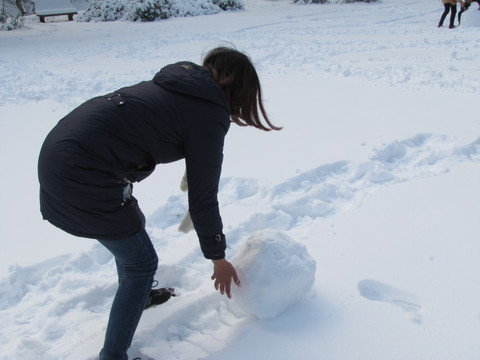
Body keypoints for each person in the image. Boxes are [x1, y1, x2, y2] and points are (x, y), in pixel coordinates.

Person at [37, 46, 281, 360]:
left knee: (130, 234)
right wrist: (218, 257)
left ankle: (137, 295)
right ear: (234, 82)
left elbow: (162, 124)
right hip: (83, 174)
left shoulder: (178, 84)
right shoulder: (209, 111)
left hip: (59, 156)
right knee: (141, 263)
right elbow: (203, 198)